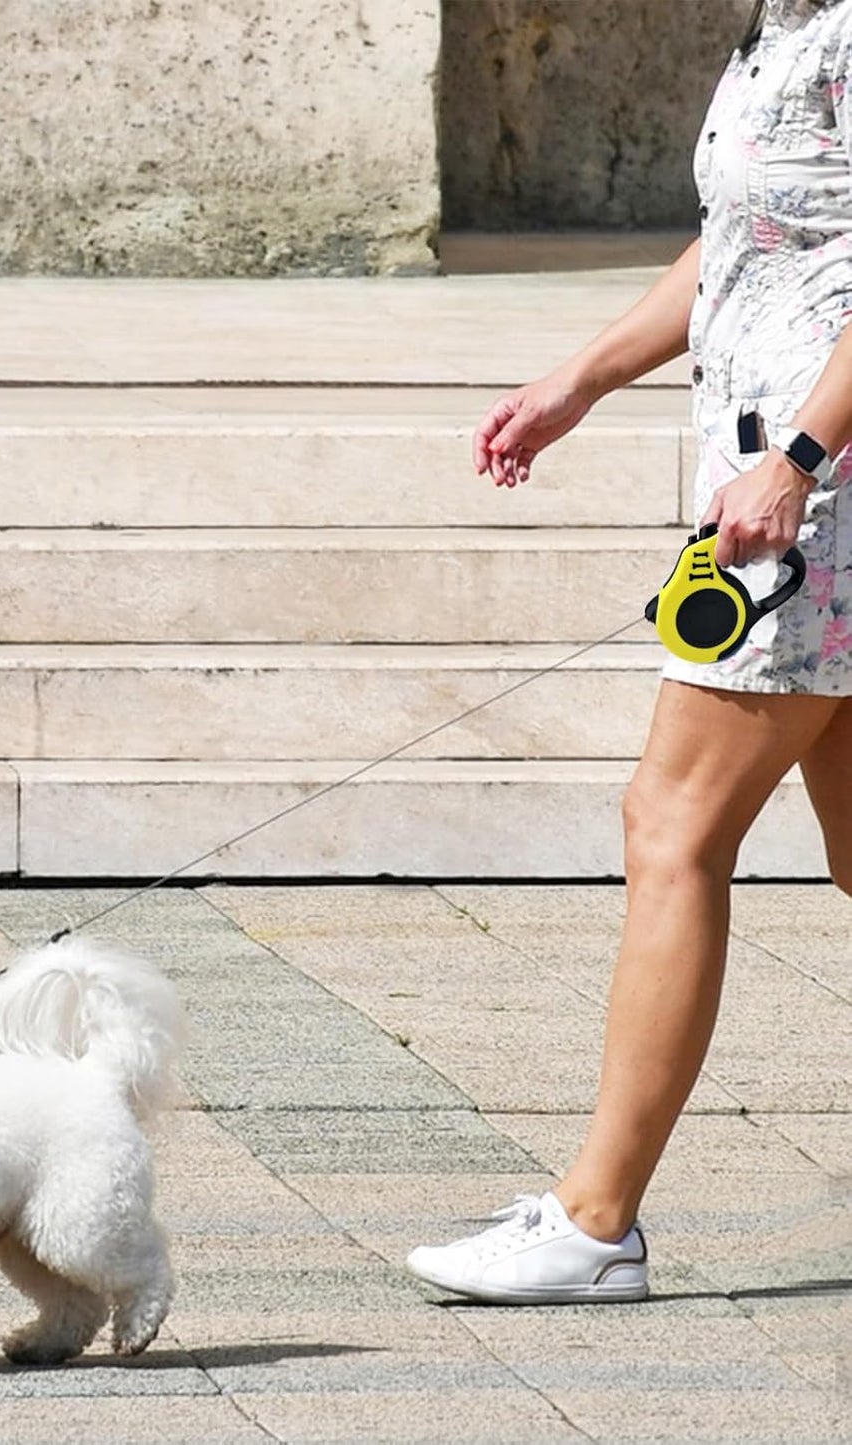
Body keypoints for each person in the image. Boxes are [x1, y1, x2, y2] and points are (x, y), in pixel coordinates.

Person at [406, 0, 852, 1304]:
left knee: (669, 820)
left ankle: (594, 1222)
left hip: (810, 499)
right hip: (780, 472)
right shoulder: (773, 29)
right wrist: (577, 381)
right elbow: (740, 248)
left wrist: (800, 458)